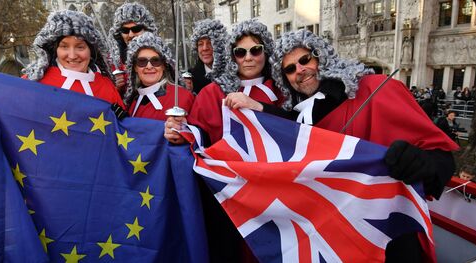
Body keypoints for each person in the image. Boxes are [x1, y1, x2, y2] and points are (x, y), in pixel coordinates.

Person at [224, 29, 459, 262]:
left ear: (321, 57)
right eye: (290, 69)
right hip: (335, 243)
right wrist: (258, 107)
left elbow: (441, 158)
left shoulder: (374, 89)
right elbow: (292, 126)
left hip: (388, 238)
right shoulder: (302, 117)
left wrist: (419, 163)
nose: (300, 71)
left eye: (305, 59)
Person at [165, 19, 285, 145]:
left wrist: (260, 107)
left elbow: (297, 129)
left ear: (266, 52)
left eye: (256, 50)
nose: (248, 58)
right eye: (240, 52)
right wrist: (182, 131)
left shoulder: (282, 90)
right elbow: (201, 134)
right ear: (232, 56)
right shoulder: (212, 92)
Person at [22, 10, 124, 114]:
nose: (72, 56)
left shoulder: (105, 86)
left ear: (91, 50)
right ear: (55, 49)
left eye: (80, 47)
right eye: (64, 46)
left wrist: (121, 120)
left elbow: (123, 129)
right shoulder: (34, 82)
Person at [123, 32, 194, 121]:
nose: (149, 67)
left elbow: (199, 131)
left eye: (155, 60)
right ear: (135, 68)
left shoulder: (182, 96)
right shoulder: (131, 102)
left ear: (164, 65)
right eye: (142, 61)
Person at [106, 2, 158, 94]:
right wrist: (114, 88)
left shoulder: (161, 55)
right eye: (125, 30)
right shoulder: (112, 62)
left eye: (136, 29)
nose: (130, 35)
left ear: (146, 29)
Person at [185, 19, 230, 94]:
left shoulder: (234, 75)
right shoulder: (190, 79)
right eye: (200, 44)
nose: (205, 48)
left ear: (221, 45)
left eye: (210, 43)